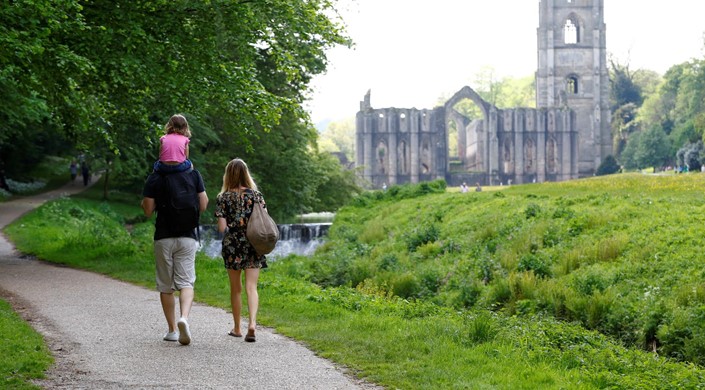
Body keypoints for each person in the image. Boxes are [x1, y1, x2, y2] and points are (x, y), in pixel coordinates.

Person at [141, 136, 208, 346]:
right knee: (186, 282)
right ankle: (184, 318)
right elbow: (204, 205)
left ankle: (171, 330)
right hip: (187, 236)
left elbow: (148, 211)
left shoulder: (155, 177)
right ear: (184, 151)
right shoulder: (193, 174)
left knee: (166, 285)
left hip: (163, 236)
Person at [215, 158, 269, 342]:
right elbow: (264, 220)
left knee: (235, 289)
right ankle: (252, 324)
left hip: (233, 244)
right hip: (254, 242)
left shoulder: (223, 198)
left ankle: (237, 328)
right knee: (251, 287)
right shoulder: (256, 195)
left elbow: (222, 228)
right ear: (246, 173)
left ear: (228, 174)